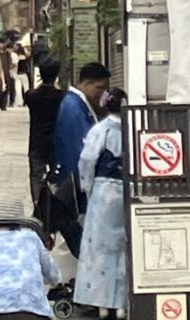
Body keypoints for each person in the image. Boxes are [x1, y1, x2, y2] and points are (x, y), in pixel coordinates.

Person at [74, 89, 128, 316]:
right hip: (126, 189)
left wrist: (87, 187)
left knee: (98, 246)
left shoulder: (100, 130)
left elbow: (87, 160)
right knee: (123, 246)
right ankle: (122, 303)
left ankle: (101, 303)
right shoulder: (131, 128)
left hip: (103, 190)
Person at [52, 62, 110, 188]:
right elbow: (79, 150)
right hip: (77, 183)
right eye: (100, 88)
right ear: (87, 83)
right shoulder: (73, 107)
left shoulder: (78, 104)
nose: (104, 94)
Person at [25, 58, 65, 206]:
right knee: (58, 174)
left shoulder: (31, 96)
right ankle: (57, 203)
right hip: (56, 141)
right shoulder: (62, 96)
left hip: (36, 141)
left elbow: (32, 92)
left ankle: (38, 205)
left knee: (36, 175)